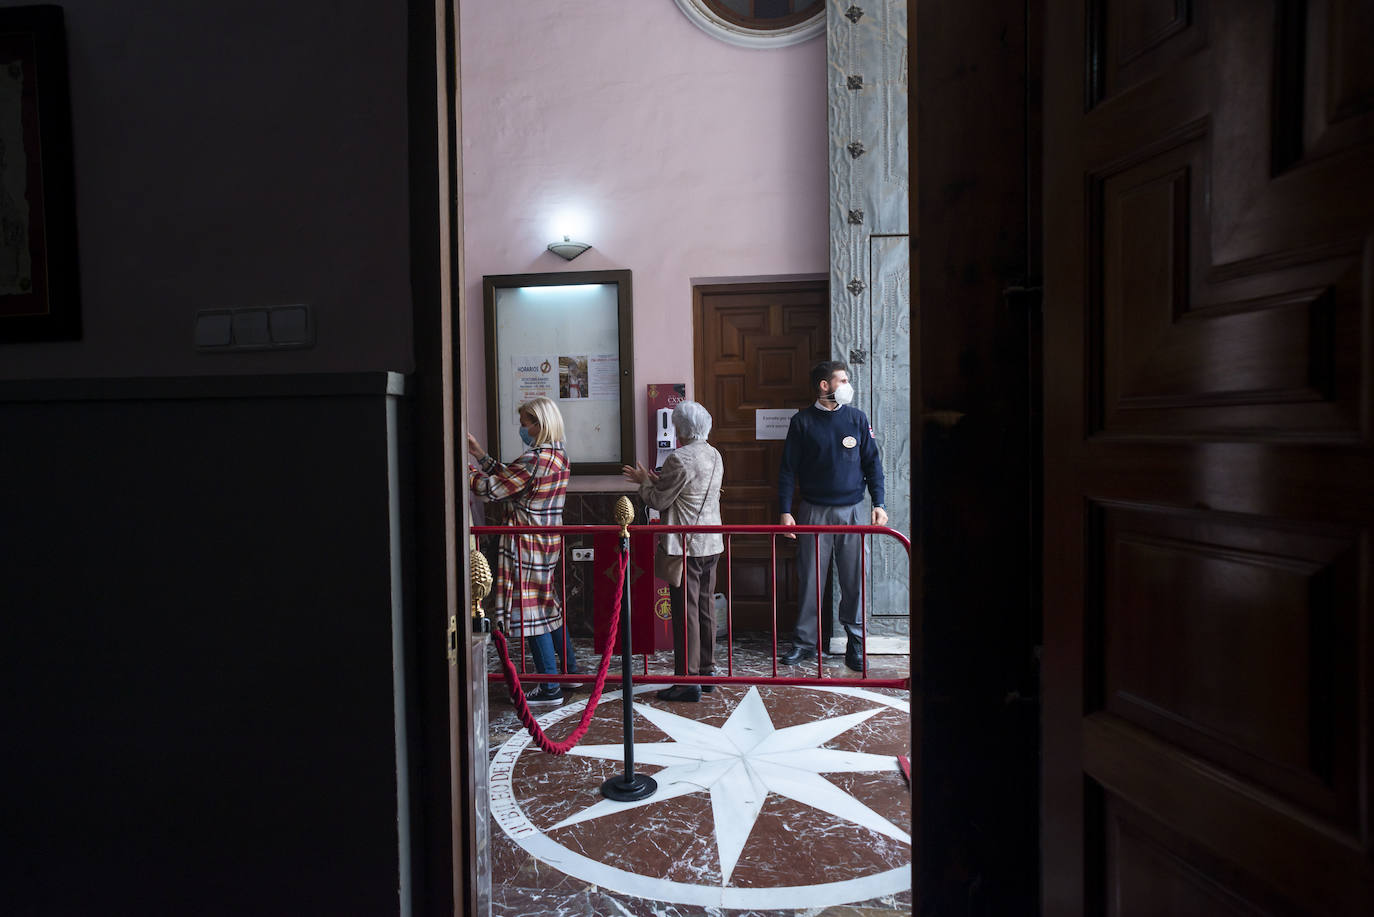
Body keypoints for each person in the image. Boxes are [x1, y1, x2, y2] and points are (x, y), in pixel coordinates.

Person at [468, 397, 579, 707]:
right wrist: (482, 456)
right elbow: (514, 480)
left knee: (531, 613)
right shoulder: (558, 456)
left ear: (539, 425)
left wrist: (464, 471)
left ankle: (549, 687)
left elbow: (493, 489)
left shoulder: (535, 459)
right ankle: (569, 671)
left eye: (525, 422)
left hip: (525, 543)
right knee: (548, 604)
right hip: (547, 541)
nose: (522, 428)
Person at [777, 360, 887, 670]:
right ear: (824, 386)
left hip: (853, 511)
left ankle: (855, 643)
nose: (847, 385)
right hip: (813, 511)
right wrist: (785, 511)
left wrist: (879, 503)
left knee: (854, 581)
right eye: (842, 380)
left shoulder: (856, 418)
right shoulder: (802, 422)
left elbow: (873, 464)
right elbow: (787, 470)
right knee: (811, 580)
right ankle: (804, 643)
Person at [623, 401, 724, 702]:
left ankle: (686, 680)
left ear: (681, 429)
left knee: (685, 612)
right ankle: (706, 671)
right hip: (711, 541)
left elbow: (659, 501)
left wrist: (644, 483)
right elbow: (687, 489)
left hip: (685, 547)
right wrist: (654, 480)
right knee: (705, 608)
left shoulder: (679, 458)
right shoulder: (715, 454)